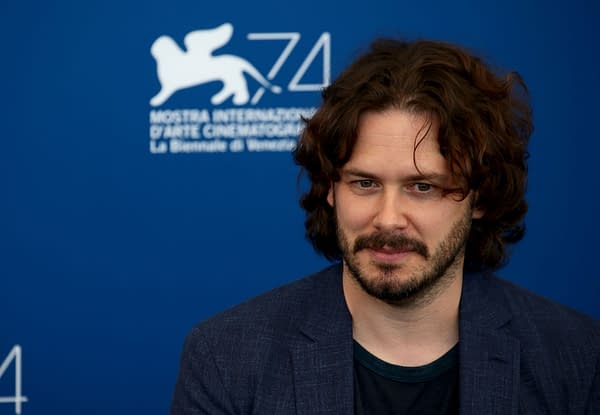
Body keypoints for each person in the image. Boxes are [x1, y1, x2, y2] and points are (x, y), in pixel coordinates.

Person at [169, 38, 600, 414]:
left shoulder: (577, 356)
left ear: (480, 196)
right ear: (331, 189)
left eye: (423, 187)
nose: (388, 218)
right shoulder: (227, 357)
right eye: (365, 183)